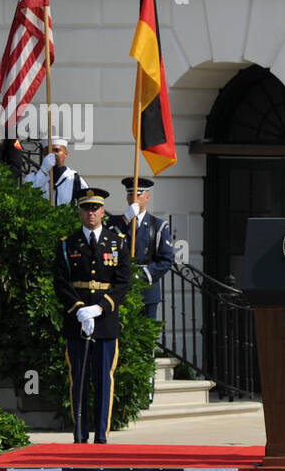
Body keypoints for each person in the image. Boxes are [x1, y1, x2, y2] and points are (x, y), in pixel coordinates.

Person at [54, 187, 131, 444]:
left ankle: (101, 435)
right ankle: (79, 434)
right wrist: (78, 310)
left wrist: (100, 308)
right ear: (80, 211)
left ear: (102, 211)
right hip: (77, 320)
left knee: (103, 380)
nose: (91, 213)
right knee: (79, 379)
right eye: (86, 208)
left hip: (105, 321)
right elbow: (61, 283)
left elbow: (122, 283)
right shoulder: (67, 244)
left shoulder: (117, 242)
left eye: (95, 208)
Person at [107, 177, 175, 321]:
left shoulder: (157, 225)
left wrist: (140, 275)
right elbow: (108, 245)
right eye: (130, 194)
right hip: (119, 288)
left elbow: (166, 260)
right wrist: (126, 219)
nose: (134, 198)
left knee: (145, 338)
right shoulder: (115, 223)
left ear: (147, 197)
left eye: (138, 194)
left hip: (146, 291)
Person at [24, 138, 88, 207]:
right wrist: (43, 171)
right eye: (48, 151)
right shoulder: (31, 178)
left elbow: (85, 206)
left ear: (66, 154)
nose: (52, 154)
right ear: (44, 154)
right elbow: (26, 199)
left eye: (56, 150)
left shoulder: (75, 180)